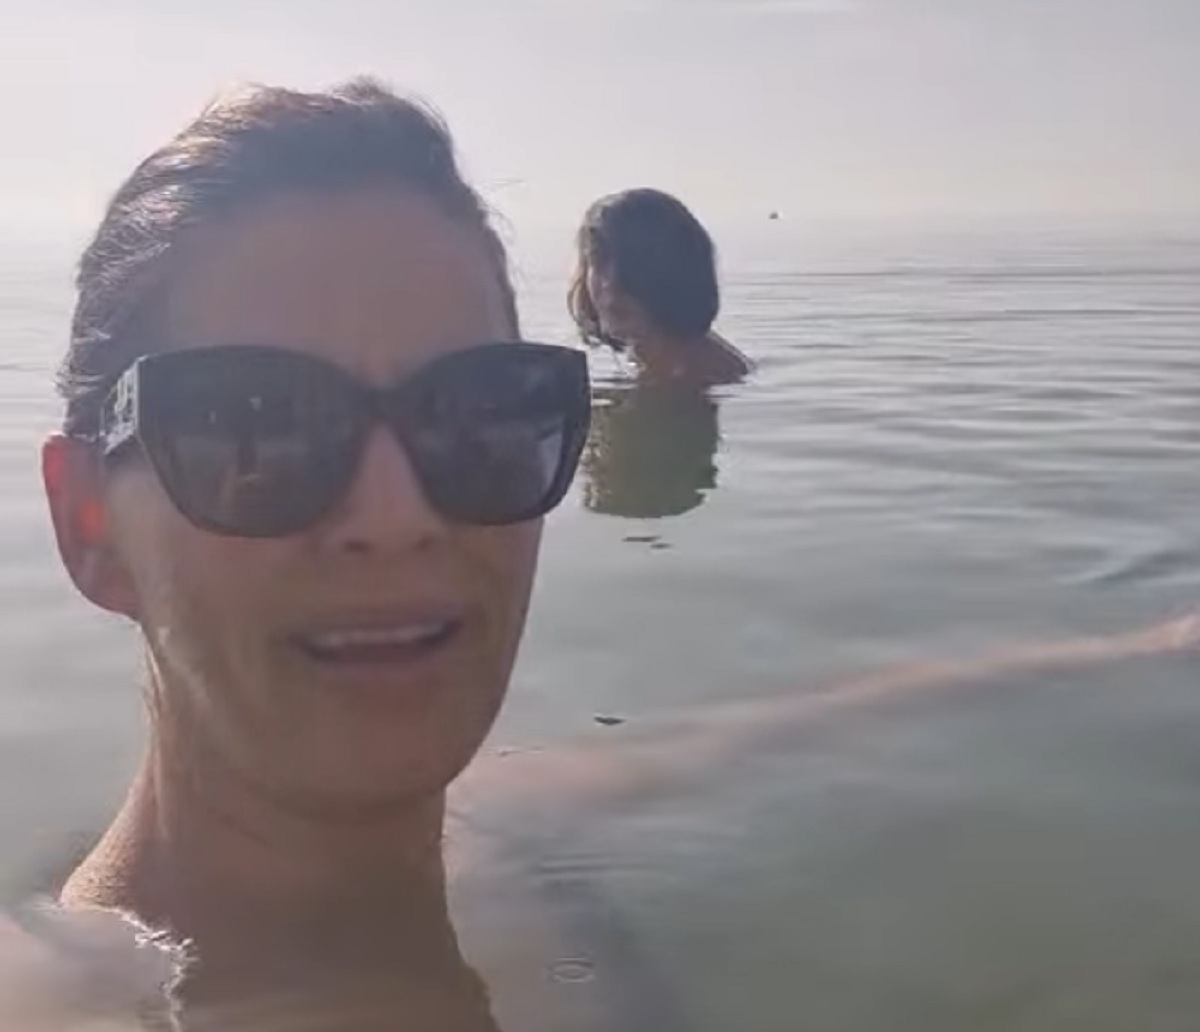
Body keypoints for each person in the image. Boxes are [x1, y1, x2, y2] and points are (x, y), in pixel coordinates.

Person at [39, 77, 593, 1029]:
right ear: (92, 526)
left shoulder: (505, 844)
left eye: (479, 414)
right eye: (257, 426)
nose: (395, 515)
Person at [567, 189, 752, 386]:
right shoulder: (650, 359)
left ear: (676, 272)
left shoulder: (702, 374)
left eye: (631, 265)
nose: (610, 282)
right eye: (598, 261)